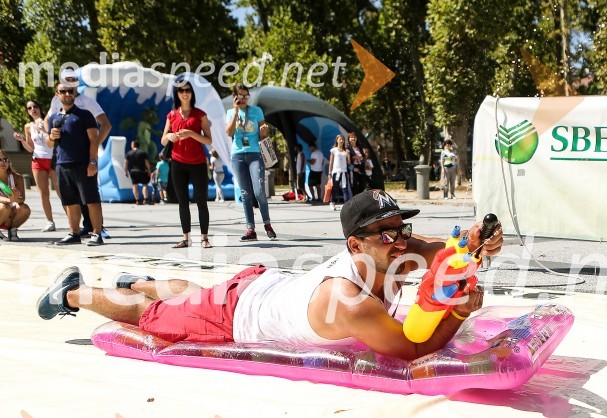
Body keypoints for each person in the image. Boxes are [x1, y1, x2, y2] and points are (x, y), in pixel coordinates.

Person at [36, 189, 503, 361]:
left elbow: (439, 249)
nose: (400, 241)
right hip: (236, 315)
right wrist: (459, 311)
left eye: (402, 228)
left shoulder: (392, 251)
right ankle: (75, 293)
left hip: (263, 284)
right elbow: (412, 350)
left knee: (196, 294)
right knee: (152, 315)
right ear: (355, 245)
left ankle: (139, 279)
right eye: (386, 233)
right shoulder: (348, 300)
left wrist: (477, 241)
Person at [47, 68, 112, 238]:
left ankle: (98, 230)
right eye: (65, 82)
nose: (69, 87)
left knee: (90, 197)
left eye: (73, 80)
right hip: (63, 159)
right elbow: (49, 125)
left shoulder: (87, 103)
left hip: (84, 157)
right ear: (58, 91)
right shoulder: (56, 104)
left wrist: (95, 148)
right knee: (70, 199)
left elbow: (105, 125)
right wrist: (48, 135)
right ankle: (77, 231)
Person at [161, 77, 213, 249]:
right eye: (182, 90)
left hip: (198, 163)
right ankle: (186, 238)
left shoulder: (200, 114)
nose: (185, 93)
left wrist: (191, 133)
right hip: (177, 163)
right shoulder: (171, 115)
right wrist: (169, 136)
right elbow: (163, 140)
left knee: (201, 201)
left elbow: (208, 140)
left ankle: (204, 238)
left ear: (192, 93)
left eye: (188, 90)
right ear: (177, 93)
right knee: (182, 201)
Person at [225, 83, 275, 241]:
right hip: (238, 156)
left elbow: (263, 134)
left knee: (259, 191)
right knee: (245, 194)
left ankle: (267, 224)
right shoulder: (230, 112)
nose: (244, 99)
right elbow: (229, 132)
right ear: (235, 97)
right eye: (240, 96)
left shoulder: (256, 111)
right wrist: (236, 112)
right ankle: (250, 229)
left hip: (254, 154)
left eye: (246, 96)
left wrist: (263, 131)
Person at [13, 100, 59, 231]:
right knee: (43, 193)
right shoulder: (28, 127)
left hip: (53, 159)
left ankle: (72, 220)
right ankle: (50, 222)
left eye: (35, 106)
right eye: (29, 108)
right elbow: (30, 148)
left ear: (40, 108)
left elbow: (55, 139)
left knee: (62, 191)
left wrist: (44, 128)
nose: (33, 109)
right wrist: (21, 140)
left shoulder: (49, 120)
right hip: (38, 160)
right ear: (27, 112)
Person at [0, 150, 31, 240]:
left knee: (24, 208)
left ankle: (12, 231)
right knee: (4, 207)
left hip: (9, 212)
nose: (3, 162)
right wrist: (9, 200)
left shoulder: (17, 177)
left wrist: (15, 199)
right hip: (3, 209)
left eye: (5, 159)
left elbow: (22, 198)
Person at [125, 140, 152, 205]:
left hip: (133, 171)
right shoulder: (142, 153)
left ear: (133, 145)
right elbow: (146, 162)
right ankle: (146, 199)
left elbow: (125, 163)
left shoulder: (129, 153)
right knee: (145, 185)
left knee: (135, 185)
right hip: (142, 171)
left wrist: (125, 171)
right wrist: (149, 170)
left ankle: (137, 200)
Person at [329, 134, 351, 210]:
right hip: (336, 172)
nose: (341, 141)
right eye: (340, 139)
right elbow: (331, 162)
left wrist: (348, 155)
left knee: (345, 188)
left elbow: (348, 163)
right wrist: (330, 172)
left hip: (344, 172)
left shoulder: (346, 150)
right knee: (335, 188)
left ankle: (346, 205)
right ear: (337, 140)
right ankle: (332, 202)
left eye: (342, 139)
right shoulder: (334, 150)